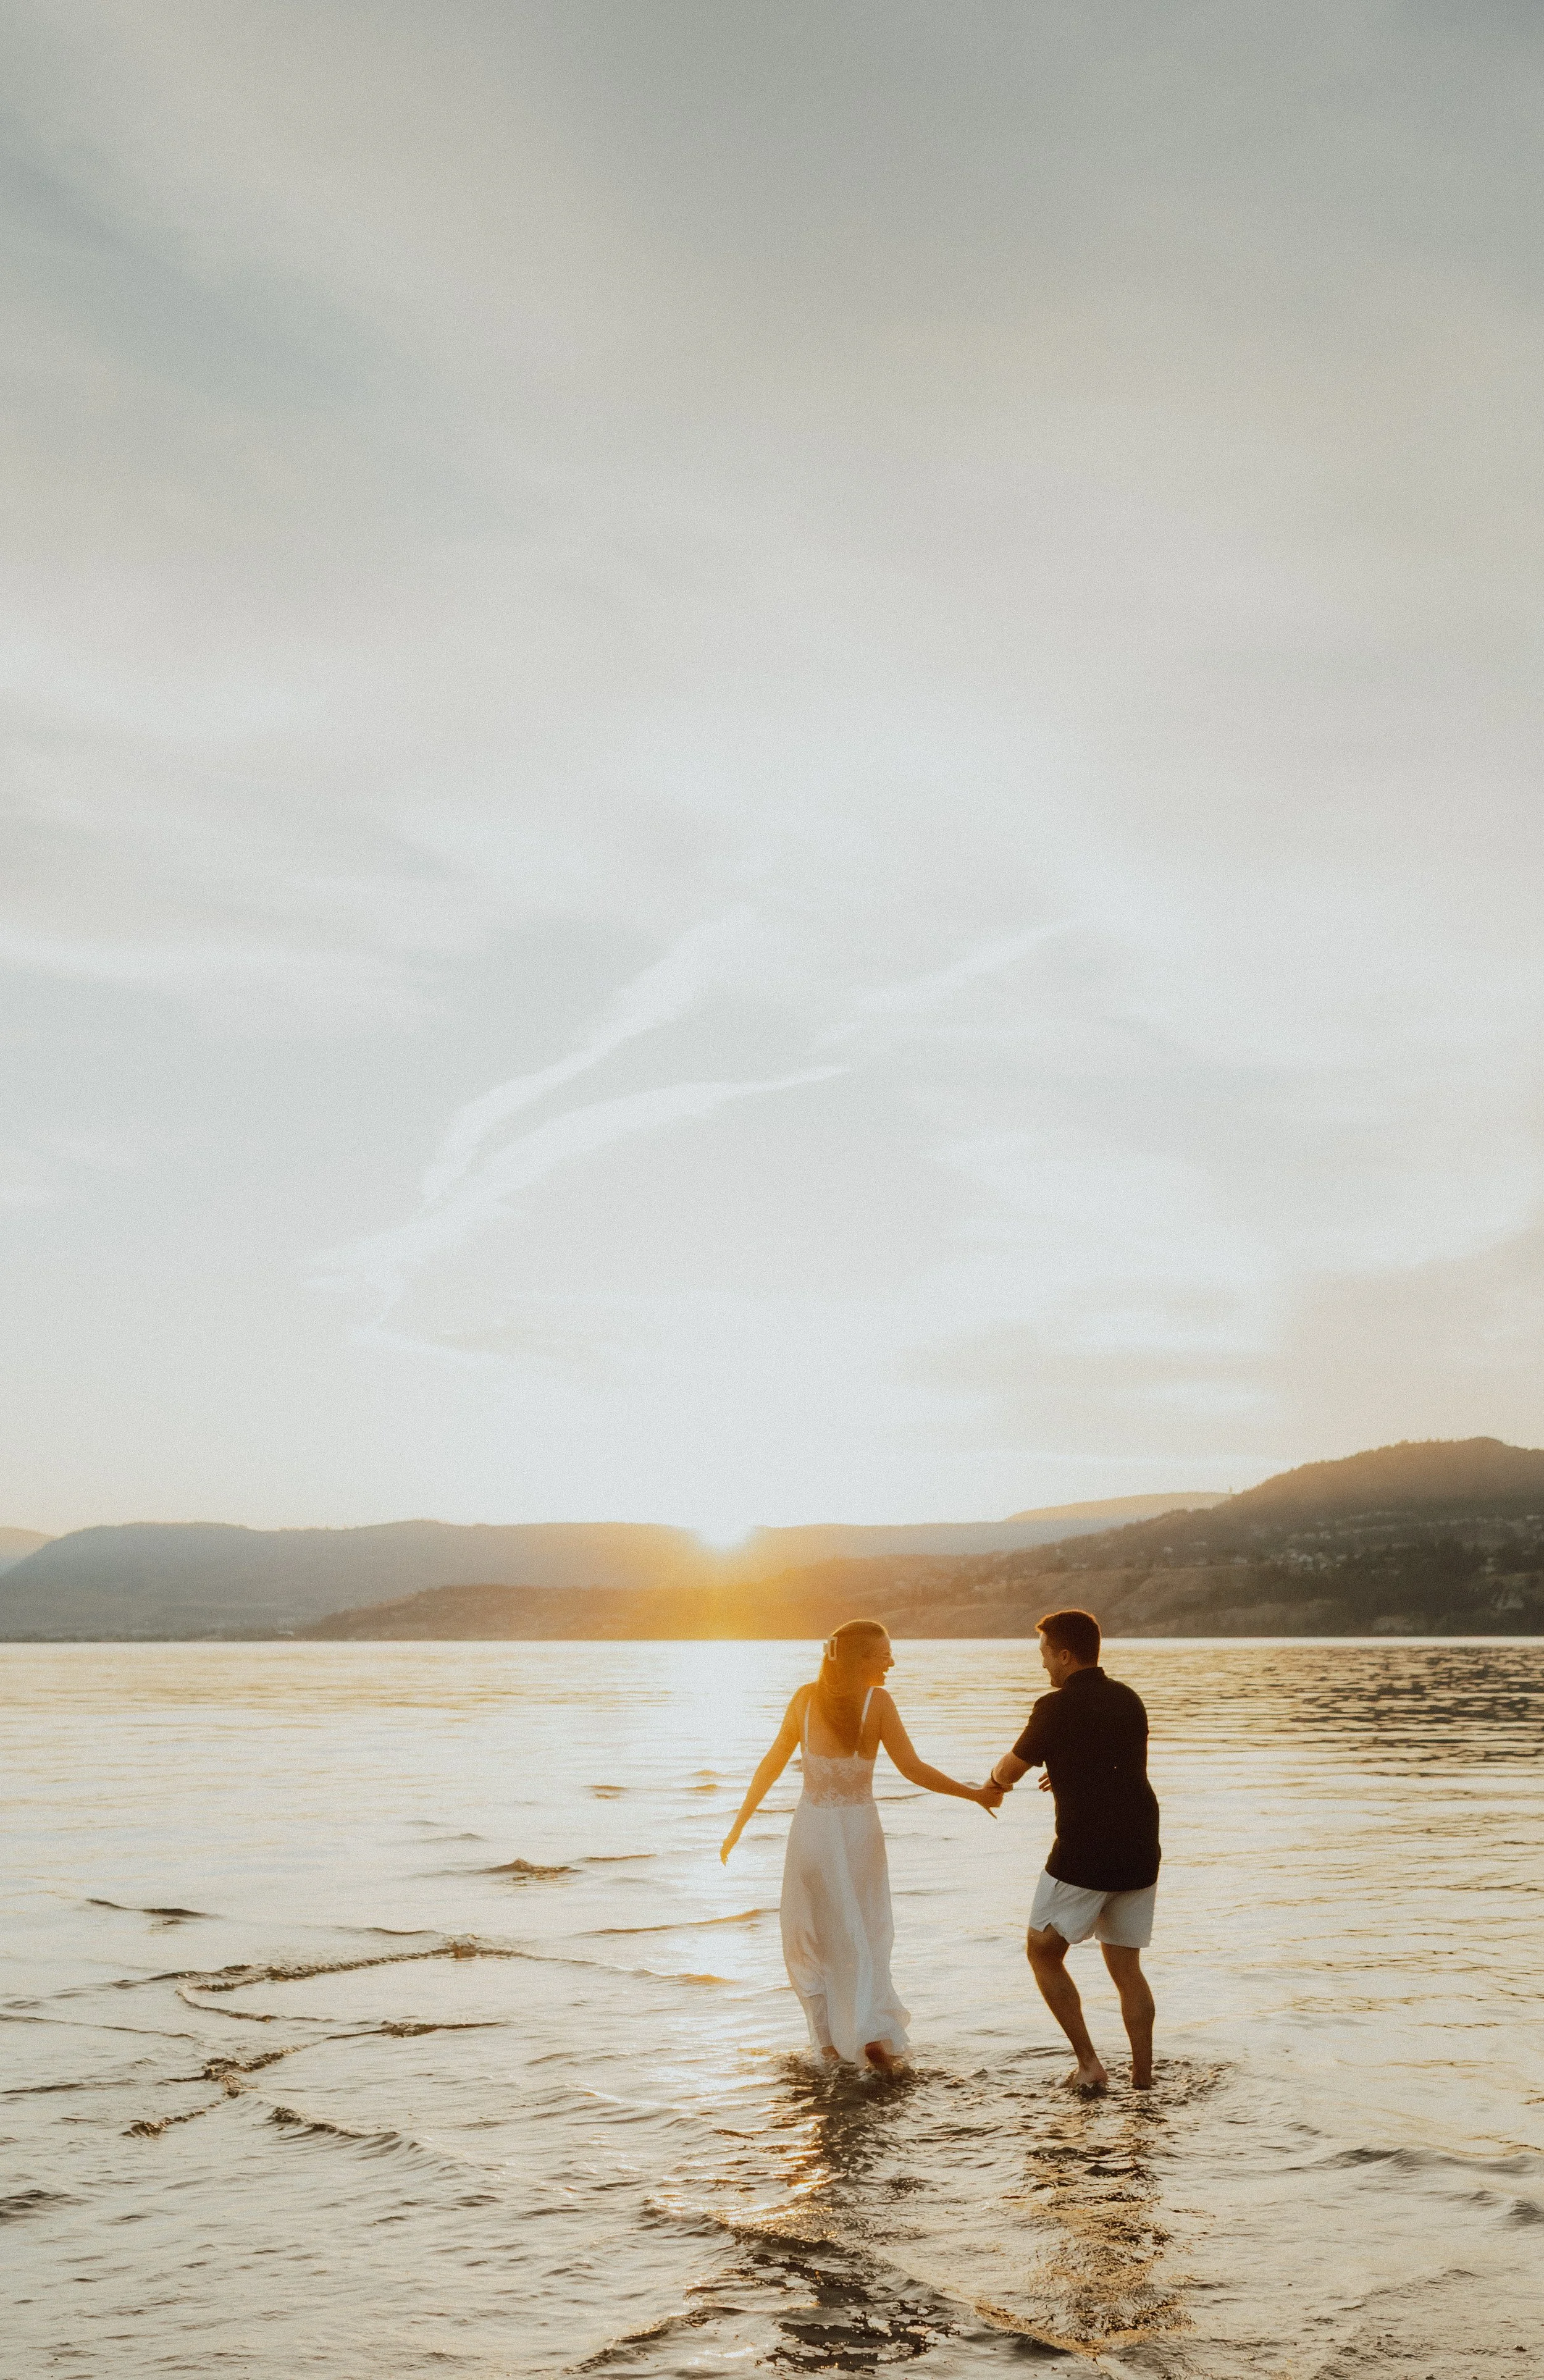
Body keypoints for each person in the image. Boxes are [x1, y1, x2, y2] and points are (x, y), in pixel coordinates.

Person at [720, 1618, 1001, 2071]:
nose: (892, 1661)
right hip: (860, 1834)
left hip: (812, 1832)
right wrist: (974, 1794)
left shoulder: (804, 1699)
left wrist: (738, 1825)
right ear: (860, 1659)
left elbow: (771, 1764)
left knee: (812, 1937)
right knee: (865, 1937)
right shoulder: (880, 1702)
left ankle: (831, 2047)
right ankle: (869, 2035)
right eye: (884, 1653)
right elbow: (913, 1768)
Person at [987, 1608, 1160, 2094]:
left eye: (1045, 1653)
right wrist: (1062, 1767)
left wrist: (994, 1783)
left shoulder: (1054, 1707)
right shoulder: (1128, 1698)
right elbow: (1110, 1759)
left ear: (1065, 1654)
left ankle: (1089, 2063)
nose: (1043, 1664)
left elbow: (1012, 1765)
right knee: (1127, 1968)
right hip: (1142, 1845)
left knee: (1041, 1951)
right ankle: (1143, 2080)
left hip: (1088, 1847)